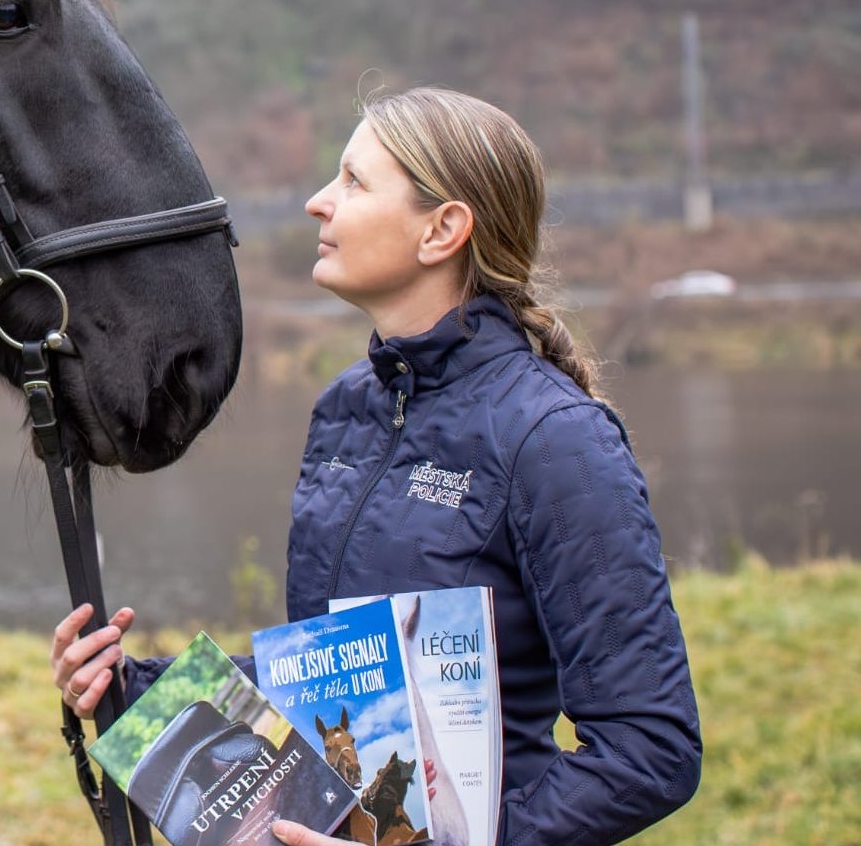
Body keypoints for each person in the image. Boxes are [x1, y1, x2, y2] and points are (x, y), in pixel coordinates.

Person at [51, 85, 702, 845]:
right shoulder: (347, 407)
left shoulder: (556, 438)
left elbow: (649, 750)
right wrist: (128, 686)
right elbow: (339, 680)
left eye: (354, 181)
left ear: (442, 229)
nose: (317, 202)